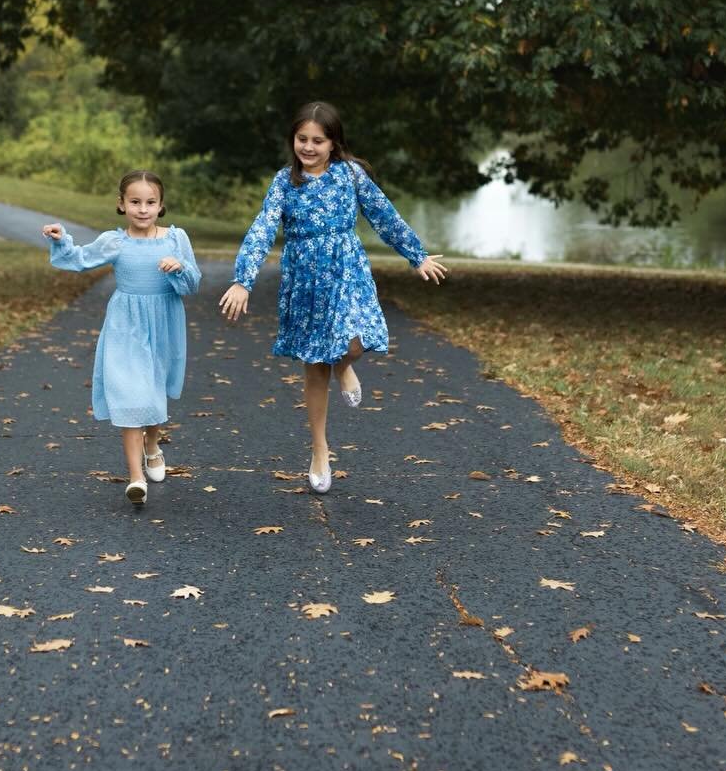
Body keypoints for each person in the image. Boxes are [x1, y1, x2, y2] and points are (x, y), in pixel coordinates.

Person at [219, 102, 447, 492]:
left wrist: (416, 254)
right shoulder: (283, 182)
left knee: (355, 343)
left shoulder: (350, 175)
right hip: (305, 278)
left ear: (333, 142)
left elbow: (383, 214)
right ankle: (320, 449)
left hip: (347, 270)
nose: (308, 147)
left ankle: (345, 366)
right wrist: (244, 280)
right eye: (301, 139)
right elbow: (261, 230)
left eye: (317, 141)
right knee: (314, 366)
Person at [43, 170, 201, 506]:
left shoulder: (176, 239)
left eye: (150, 202)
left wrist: (181, 268)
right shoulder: (115, 242)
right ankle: (135, 478)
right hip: (125, 325)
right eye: (135, 202)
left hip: (164, 323)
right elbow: (80, 259)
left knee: (155, 392)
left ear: (161, 205)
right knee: (132, 396)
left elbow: (193, 285)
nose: (142, 209)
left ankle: (153, 445)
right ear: (121, 204)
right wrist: (61, 240)